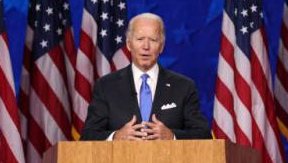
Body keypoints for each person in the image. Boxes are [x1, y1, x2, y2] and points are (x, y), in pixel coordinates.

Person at [80, 13, 211, 141]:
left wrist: (172, 136)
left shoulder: (184, 86)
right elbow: (87, 136)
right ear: (129, 44)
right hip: (121, 162)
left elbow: (204, 135)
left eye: (153, 40)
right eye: (140, 39)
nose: (146, 46)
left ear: (161, 46)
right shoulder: (106, 86)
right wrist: (116, 137)